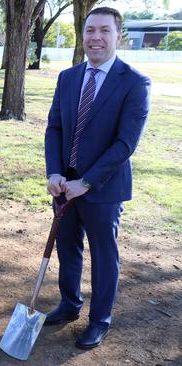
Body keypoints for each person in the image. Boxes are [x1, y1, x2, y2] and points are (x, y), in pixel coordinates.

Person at [44, 7, 150, 349]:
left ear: (119, 36)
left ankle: (99, 320)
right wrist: (55, 173)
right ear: (83, 34)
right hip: (64, 184)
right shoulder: (68, 77)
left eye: (105, 31)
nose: (96, 38)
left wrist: (85, 182)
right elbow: (54, 128)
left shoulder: (134, 82)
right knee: (67, 247)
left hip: (102, 189)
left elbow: (125, 144)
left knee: (104, 256)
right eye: (90, 30)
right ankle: (69, 304)